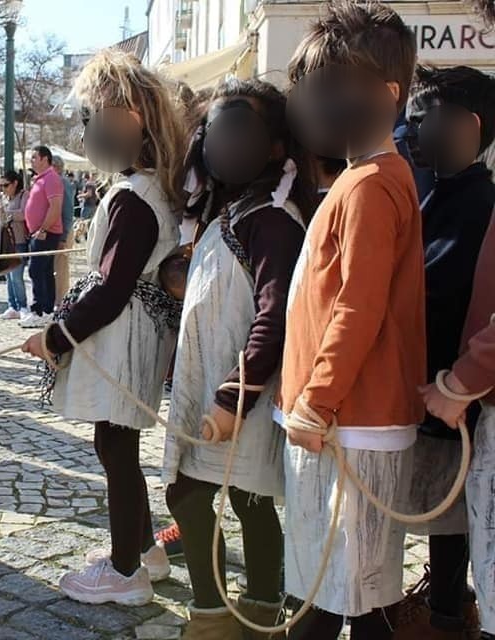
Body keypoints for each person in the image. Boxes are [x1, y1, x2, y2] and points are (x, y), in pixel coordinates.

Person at [22, 49, 187, 606]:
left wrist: (55, 337)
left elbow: (111, 287)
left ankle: (125, 572)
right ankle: (145, 552)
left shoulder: (135, 196)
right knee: (118, 447)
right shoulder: (149, 188)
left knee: (115, 448)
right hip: (136, 332)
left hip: (124, 337)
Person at [279, 3, 423, 638]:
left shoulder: (371, 184)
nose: (318, 100)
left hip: (348, 422)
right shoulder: (363, 176)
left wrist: (316, 400)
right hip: (348, 420)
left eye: (336, 85)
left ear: (387, 94)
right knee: (345, 590)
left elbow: (357, 307)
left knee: (337, 593)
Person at [162, 79, 315, 639]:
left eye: (239, 128)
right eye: (216, 129)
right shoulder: (236, 207)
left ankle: (221, 614)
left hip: (243, 392)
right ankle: (254, 613)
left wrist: (233, 397)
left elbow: (275, 317)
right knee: (245, 502)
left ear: (275, 147)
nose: (222, 142)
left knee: (205, 493)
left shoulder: (273, 216)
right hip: (215, 386)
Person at [395, 65, 495, 640]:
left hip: (452, 394)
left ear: (466, 127)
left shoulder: (475, 199)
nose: (413, 131)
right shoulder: (448, 190)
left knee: (455, 518)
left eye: (423, 119)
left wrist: (454, 386)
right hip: (441, 389)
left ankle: (447, 617)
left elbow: (439, 285)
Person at [19, 145, 64, 328]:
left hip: (46, 233)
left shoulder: (51, 178)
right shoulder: (40, 179)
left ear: (45, 159)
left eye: (34, 157)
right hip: (39, 232)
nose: (31, 161)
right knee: (43, 271)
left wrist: (43, 229)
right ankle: (46, 311)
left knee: (36, 270)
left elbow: (55, 207)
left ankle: (40, 310)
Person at [0, 170, 31, 321]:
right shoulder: (5, 198)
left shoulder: (24, 195)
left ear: (15, 183)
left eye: (6, 185)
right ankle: (12, 306)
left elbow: (25, 214)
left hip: (19, 241)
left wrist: (8, 214)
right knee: (8, 276)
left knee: (17, 276)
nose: (3, 189)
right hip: (6, 242)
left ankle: (22, 305)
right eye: (1, 186)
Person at [53, 155, 77, 305]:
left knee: (61, 269)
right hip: (58, 231)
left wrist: (64, 236)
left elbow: (68, 211)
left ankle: (61, 301)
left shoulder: (63, 182)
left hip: (63, 232)